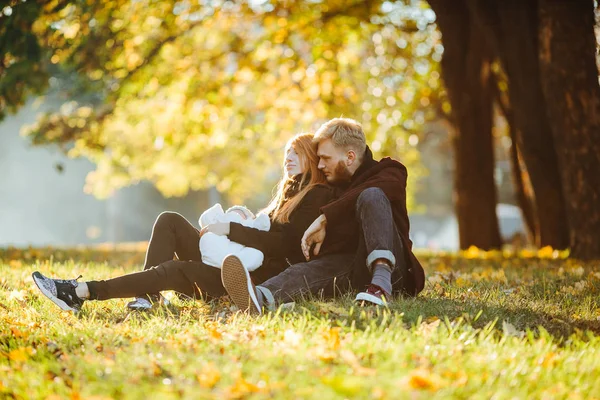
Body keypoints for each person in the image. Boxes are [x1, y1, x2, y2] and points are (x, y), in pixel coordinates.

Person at [32, 133, 333, 313]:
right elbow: (260, 229)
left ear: (311, 157)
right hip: (227, 260)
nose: (288, 158)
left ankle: (81, 292)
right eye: (286, 153)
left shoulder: (316, 195)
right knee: (170, 220)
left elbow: (283, 245)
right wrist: (236, 219)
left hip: (243, 279)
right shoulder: (287, 194)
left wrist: (229, 229)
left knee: (172, 271)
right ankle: (146, 296)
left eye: (296, 153)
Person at [220, 118, 425, 314]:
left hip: (395, 274)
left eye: (326, 158)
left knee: (371, 195)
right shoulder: (333, 189)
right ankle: (259, 297)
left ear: (350, 157)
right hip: (355, 270)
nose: (319, 165)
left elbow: (381, 188)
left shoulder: (388, 171)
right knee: (307, 270)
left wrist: (326, 217)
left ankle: (381, 283)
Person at [198, 203, 270, 272]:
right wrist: (216, 211)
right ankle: (221, 264)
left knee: (257, 255)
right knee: (208, 237)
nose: (236, 214)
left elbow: (262, 225)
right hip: (221, 243)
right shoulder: (221, 221)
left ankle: (233, 267)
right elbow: (206, 219)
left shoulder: (249, 225)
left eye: (240, 213)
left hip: (238, 251)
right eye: (233, 212)